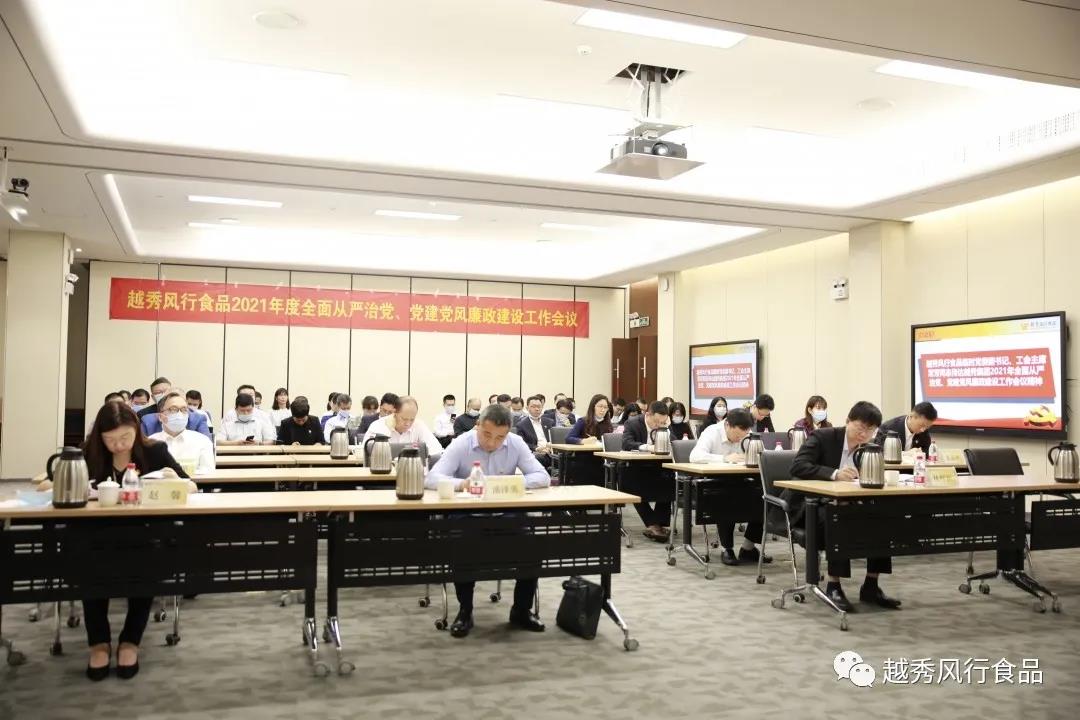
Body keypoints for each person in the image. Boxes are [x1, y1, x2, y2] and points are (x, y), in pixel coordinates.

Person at [80, 402, 188, 681]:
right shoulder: (88, 453)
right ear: (100, 437)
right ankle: (99, 643)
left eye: (125, 437)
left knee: (146, 567)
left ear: (136, 430)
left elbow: (190, 485)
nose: (118, 445)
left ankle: (130, 641)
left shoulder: (154, 451)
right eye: (110, 440)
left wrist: (172, 479)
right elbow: (49, 482)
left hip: (144, 535)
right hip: (97, 535)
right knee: (90, 568)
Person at [426, 404, 549, 638]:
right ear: (478, 425)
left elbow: (542, 476)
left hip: (506, 513)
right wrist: (462, 484)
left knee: (531, 546)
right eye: (486, 434)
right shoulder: (462, 443)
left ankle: (521, 610)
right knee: (463, 545)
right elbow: (432, 478)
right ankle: (465, 610)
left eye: (500, 437)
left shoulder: (515, 443)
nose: (492, 442)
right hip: (467, 513)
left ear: (508, 432)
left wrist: (508, 484)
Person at [787, 401, 900, 612]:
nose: (864, 434)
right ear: (848, 421)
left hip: (851, 502)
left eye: (870, 430)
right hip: (812, 505)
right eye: (860, 427)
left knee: (882, 518)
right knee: (838, 518)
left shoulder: (869, 448)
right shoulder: (823, 437)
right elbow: (798, 466)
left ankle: (871, 585)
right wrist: (834, 474)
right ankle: (834, 586)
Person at [688, 408, 770, 565]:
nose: (739, 440)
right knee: (728, 497)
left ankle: (748, 547)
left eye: (742, 436)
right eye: (737, 436)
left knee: (765, 497)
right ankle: (726, 548)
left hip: (742, 479)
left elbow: (764, 456)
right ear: (727, 425)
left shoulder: (748, 434)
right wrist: (724, 458)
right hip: (715, 483)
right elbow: (695, 456)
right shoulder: (712, 432)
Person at [620, 401, 673, 542]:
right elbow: (626, 443)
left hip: (657, 467)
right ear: (648, 414)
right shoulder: (632, 423)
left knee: (669, 481)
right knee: (633, 485)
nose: (659, 425)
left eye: (663, 422)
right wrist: (647, 447)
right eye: (656, 422)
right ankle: (654, 524)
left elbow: (674, 443)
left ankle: (658, 525)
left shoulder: (664, 425)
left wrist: (666, 430)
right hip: (635, 467)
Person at [148, 391, 215, 474]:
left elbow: (208, 473)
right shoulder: (150, 443)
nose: (179, 414)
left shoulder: (202, 441)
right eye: (173, 409)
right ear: (161, 416)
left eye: (184, 410)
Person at [362, 396, 443, 459]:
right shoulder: (378, 425)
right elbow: (366, 450)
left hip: (412, 471)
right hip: (383, 472)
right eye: (404, 419)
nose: (408, 424)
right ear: (394, 413)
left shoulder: (419, 425)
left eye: (412, 419)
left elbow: (436, 449)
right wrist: (387, 430)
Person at [565, 394, 614, 484]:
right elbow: (568, 438)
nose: (603, 410)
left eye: (605, 407)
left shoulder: (608, 424)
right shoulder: (583, 421)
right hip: (585, 458)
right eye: (600, 406)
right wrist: (583, 441)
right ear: (593, 407)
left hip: (601, 459)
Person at [141, 388, 212, 440]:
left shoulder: (198, 419)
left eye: (183, 408)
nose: (178, 412)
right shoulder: (148, 421)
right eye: (173, 408)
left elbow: (207, 444)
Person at [515, 395, 554, 467]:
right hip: (536, 453)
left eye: (539, 406)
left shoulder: (549, 422)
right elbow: (521, 443)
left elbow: (555, 439)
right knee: (538, 458)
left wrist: (551, 446)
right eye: (533, 406)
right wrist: (537, 448)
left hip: (552, 452)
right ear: (527, 408)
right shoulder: (521, 425)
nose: (537, 409)